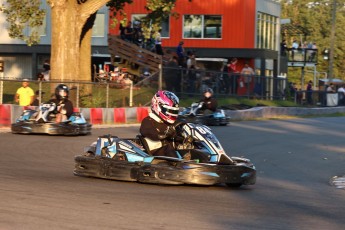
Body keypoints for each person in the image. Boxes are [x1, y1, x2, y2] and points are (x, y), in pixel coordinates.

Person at [140, 90, 180, 158]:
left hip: (169, 155)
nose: (171, 113)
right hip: (155, 155)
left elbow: (175, 138)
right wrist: (165, 134)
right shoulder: (148, 121)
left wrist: (180, 138)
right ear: (158, 106)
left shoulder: (169, 123)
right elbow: (150, 133)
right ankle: (181, 166)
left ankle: (198, 163)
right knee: (168, 148)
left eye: (173, 111)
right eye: (169, 110)